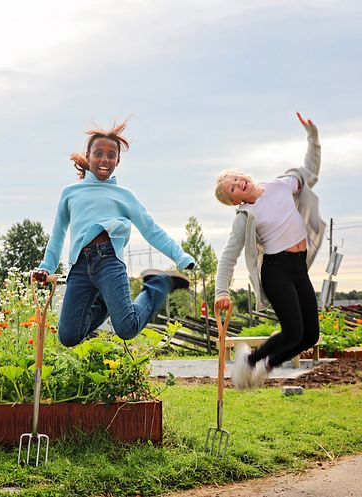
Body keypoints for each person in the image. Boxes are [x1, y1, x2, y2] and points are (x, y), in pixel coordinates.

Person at [33, 121, 196, 347]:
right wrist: (46, 267)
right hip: (79, 267)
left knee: (127, 328)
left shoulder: (124, 196)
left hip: (109, 262)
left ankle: (158, 284)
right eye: (98, 153)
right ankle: (106, 301)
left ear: (117, 161)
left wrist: (181, 257)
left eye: (111, 155)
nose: (104, 160)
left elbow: (151, 229)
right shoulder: (70, 193)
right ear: (88, 156)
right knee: (69, 337)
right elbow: (58, 233)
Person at [214, 112, 324, 390]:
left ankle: (264, 366)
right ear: (234, 200)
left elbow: (309, 171)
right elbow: (229, 255)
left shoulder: (280, 185)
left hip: (299, 268)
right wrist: (222, 291)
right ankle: (250, 361)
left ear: (244, 176)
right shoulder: (245, 217)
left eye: (237, 178)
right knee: (293, 331)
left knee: (310, 336)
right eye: (233, 188)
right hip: (277, 271)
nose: (239, 183)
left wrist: (313, 136)